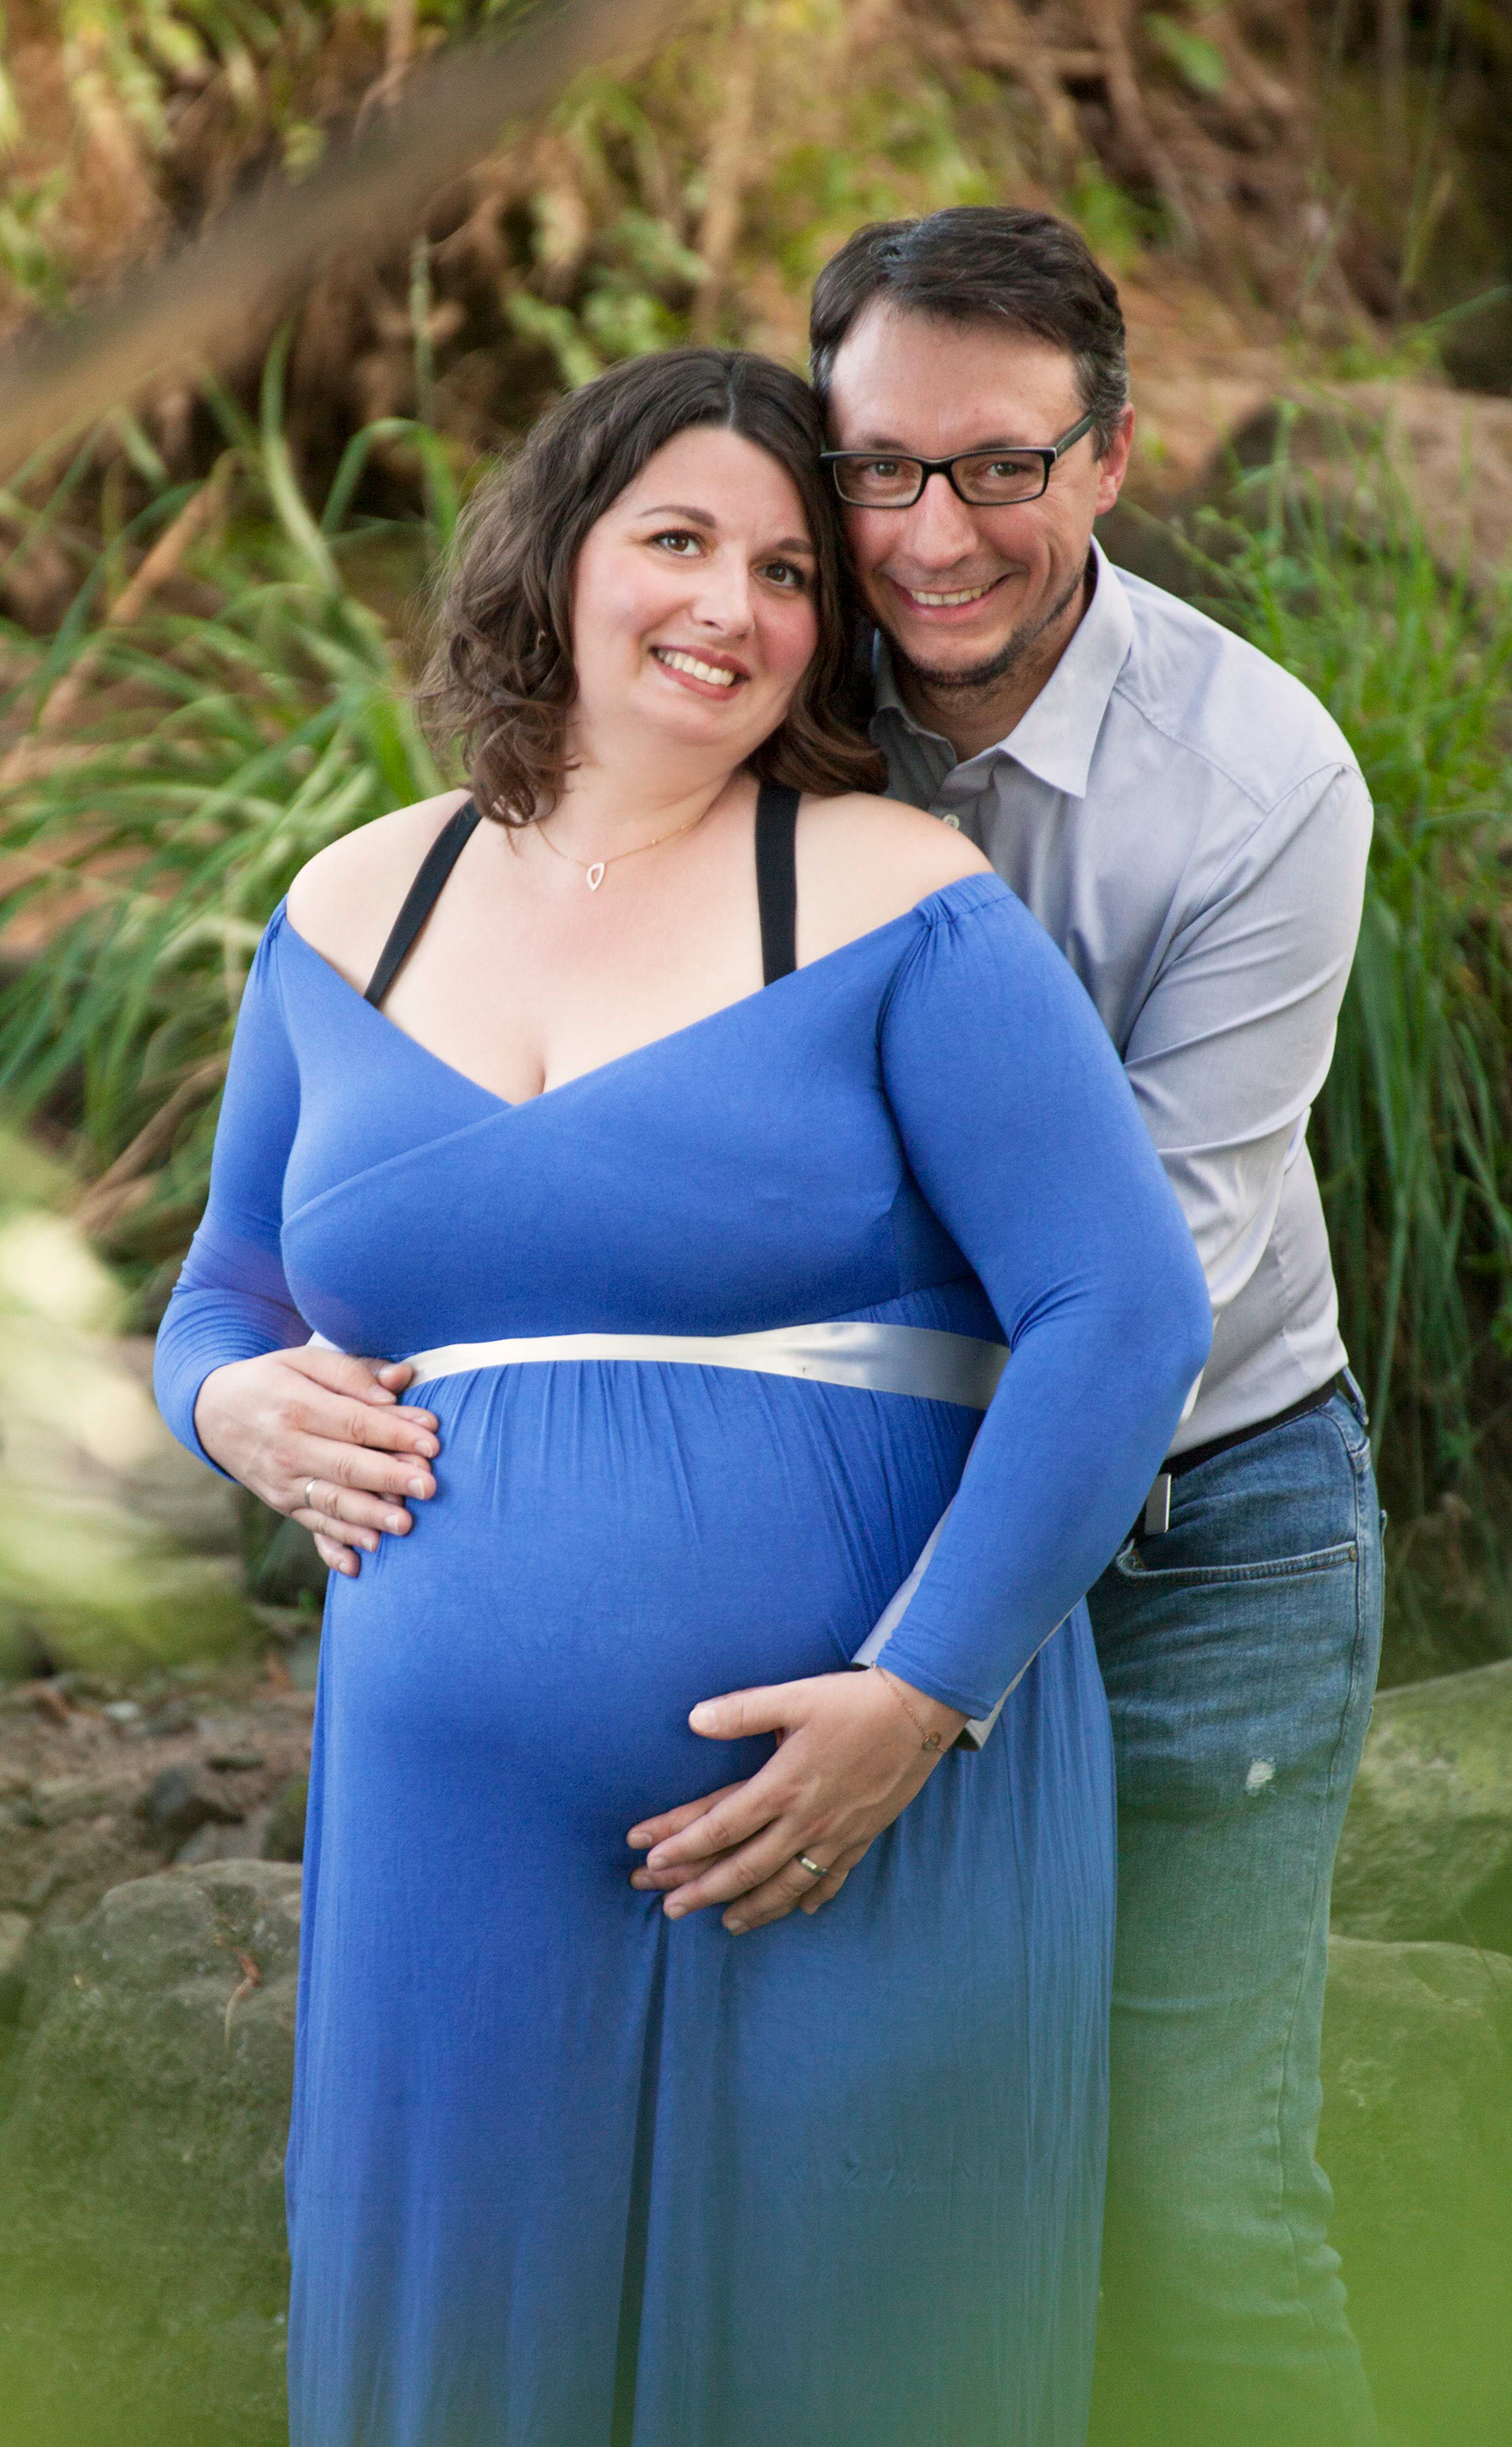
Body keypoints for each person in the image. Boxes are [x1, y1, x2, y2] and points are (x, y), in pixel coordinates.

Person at [154, 345, 1211, 2446]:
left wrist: (922, 1698)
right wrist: (228, 1410)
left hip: (845, 1800)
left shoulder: (894, 893)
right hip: (446, 1807)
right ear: (561, 556)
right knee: (463, 2368)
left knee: (850, 2364)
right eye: (678, 541)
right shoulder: (351, 907)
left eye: (790, 571)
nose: (733, 605)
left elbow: (1120, 1309)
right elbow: (221, 1295)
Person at [801, 209, 1383, 2447]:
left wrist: (928, 1671)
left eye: (1001, 467)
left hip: (1197, 1540)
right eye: (879, 468)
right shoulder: (752, 681)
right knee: (883, 2188)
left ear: (1114, 458)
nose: (932, 535)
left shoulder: (1256, 780)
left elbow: (1154, 1283)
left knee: (1194, 2205)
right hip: (838, 1496)